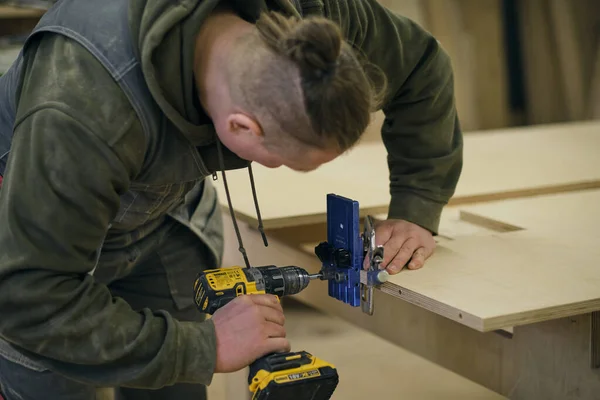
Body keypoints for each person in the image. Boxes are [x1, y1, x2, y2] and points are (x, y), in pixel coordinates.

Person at [0, 0, 463, 398]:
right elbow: (34, 300)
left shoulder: (313, 24)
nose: (274, 167)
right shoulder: (81, 106)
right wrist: (206, 347)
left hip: (164, 210)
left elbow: (423, 67)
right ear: (241, 126)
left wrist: (417, 203)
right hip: (35, 234)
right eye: (277, 159)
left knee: (174, 387)